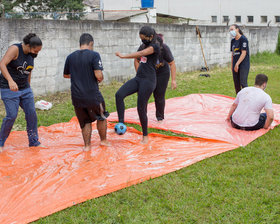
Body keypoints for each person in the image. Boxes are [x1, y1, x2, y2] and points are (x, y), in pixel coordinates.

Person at [63, 33, 110, 151]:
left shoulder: (70, 57)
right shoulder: (94, 55)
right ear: (91, 43)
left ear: (80, 43)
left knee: (85, 122)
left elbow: (66, 75)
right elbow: (98, 75)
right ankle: (103, 141)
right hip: (92, 95)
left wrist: (79, 76)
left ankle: (87, 146)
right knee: (101, 117)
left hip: (77, 97)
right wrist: (100, 77)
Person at [115, 26, 161, 144]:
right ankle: (121, 123)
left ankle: (145, 135)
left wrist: (123, 56)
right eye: (140, 38)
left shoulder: (155, 46)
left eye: (143, 38)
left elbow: (140, 53)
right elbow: (137, 58)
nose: (142, 40)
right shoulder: (144, 45)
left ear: (150, 37)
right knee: (119, 94)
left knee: (141, 108)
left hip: (149, 80)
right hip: (139, 78)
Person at [0, 33, 42, 152]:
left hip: (25, 89)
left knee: (31, 114)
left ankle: (33, 142)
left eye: (39, 51)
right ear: (28, 45)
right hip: (9, 88)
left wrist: (28, 86)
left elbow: (29, 70)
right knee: (12, 115)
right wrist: (10, 81)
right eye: (35, 50)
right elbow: (2, 64)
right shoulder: (15, 49)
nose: (37, 53)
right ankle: (1, 142)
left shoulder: (31, 54)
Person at [134, 33, 177, 121]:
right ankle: (142, 116)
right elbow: (136, 60)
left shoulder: (164, 48)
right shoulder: (143, 48)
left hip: (162, 73)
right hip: (148, 73)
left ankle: (160, 117)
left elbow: (172, 63)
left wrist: (173, 80)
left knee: (159, 95)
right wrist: (139, 74)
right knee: (143, 94)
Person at [229, 24, 250, 94]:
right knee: (236, 85)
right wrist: (232, 65)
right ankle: (239, 100)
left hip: (243, 65)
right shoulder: (233, 41)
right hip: (235, 65)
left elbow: (243, 53)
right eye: (230, 30)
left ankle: (247, 99)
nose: (231, 31)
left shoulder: (243, 39)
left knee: (243, 83)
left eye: (232, 29)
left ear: (237, 29)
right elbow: (233, 54)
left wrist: (237, 64)